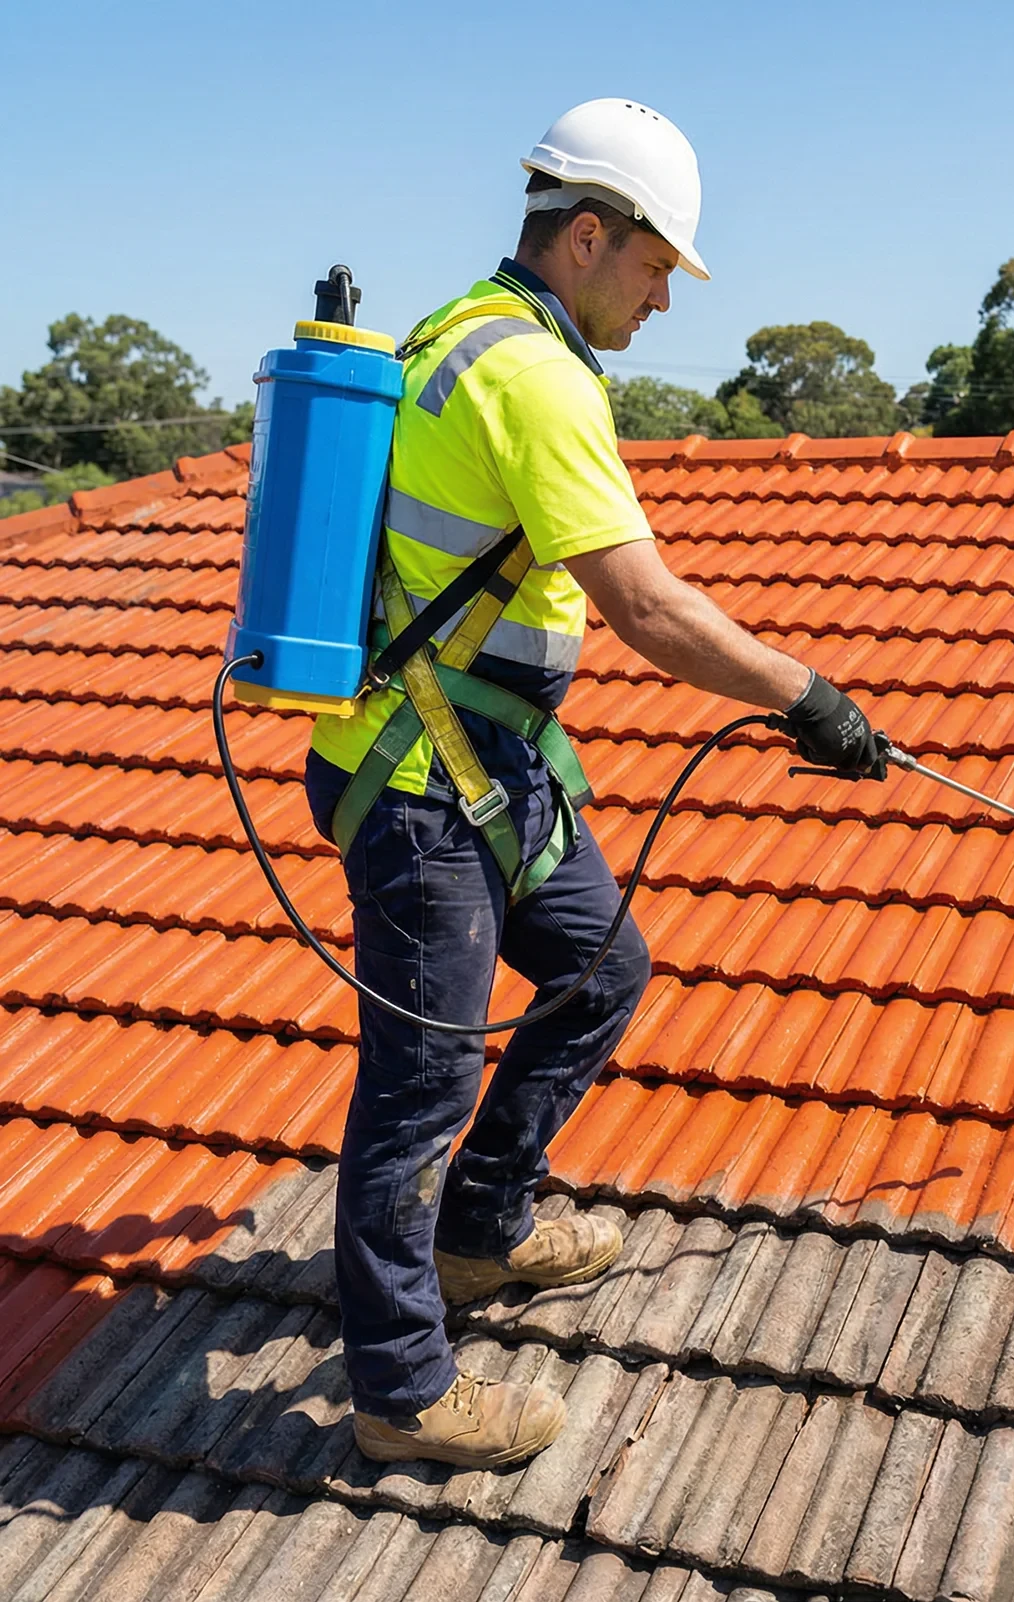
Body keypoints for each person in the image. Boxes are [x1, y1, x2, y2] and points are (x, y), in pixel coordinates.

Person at [303, 98, 883, 1470]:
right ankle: (400, 1388)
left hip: (489, 757)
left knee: (601, 968)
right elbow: (647, 606)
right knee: (421, 1076)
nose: (665, 299)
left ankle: (483, 1227)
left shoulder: (465, 331)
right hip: (418, 775)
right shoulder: (534, 376)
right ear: (584, 236)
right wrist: (808, 696)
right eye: (657, 267)